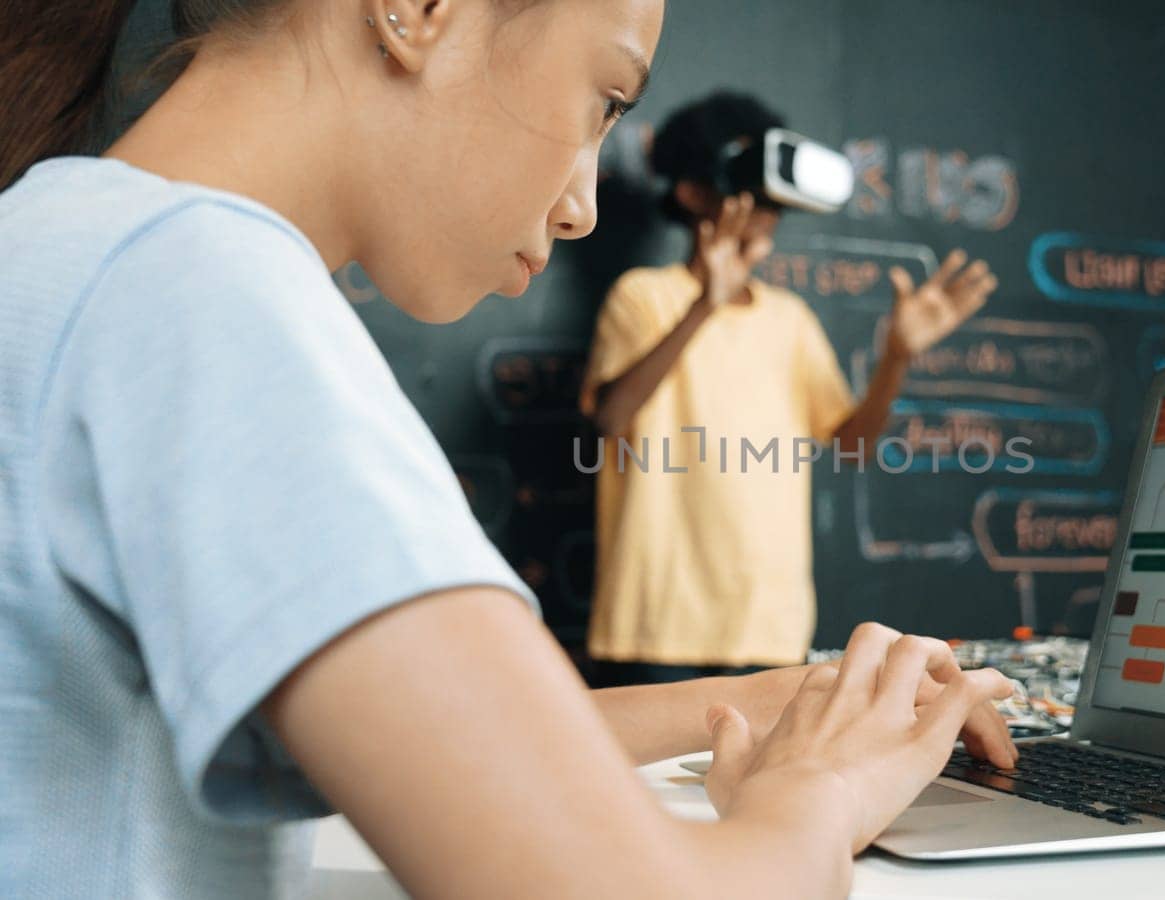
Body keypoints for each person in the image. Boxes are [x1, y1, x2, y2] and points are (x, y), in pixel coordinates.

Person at [0, 1, 1018, 896]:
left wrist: (760, 697)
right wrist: (827, 788)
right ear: (416, 8)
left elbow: (442, 752)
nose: (580, 204)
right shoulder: (206, 300)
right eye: (602, 96)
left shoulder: (68, 244)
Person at [582, 92, 998, 686]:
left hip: (767, 626)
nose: (767, 205)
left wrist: (896, 358)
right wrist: (706, 305)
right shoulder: (644, 297)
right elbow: (609, 421)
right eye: (746, 181)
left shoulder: (790, 319)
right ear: (693, 193)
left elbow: (852, 443)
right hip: (654, 623)